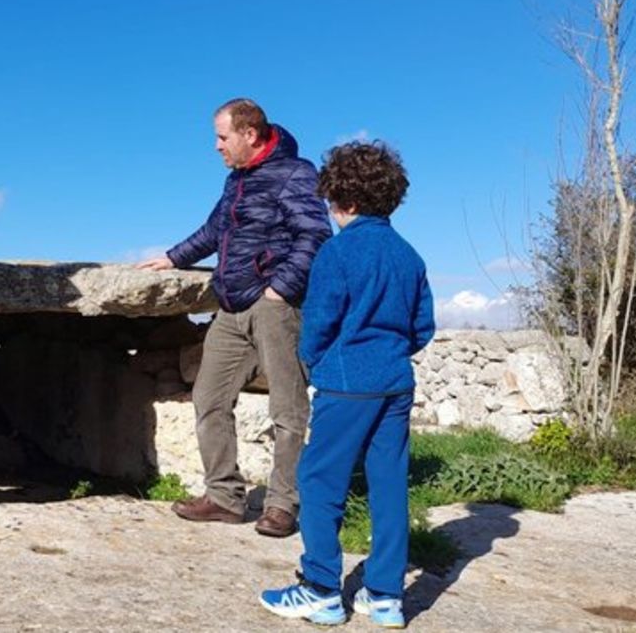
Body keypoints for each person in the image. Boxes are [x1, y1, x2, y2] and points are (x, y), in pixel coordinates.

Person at [259, 140, 435, 628]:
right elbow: (422, 327)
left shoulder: (337, 252)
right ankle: (385, 597)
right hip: (396, 384)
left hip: (345, 384)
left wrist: (319, 364)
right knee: (388, 485)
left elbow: (317, 324)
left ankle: (319, 589)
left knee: (318, 481)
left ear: (345, 201)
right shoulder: (409, 256)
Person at [139, 99, 331, 538]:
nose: (216, 146)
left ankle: (283, 505)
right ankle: (225, 498)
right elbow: (213, 232)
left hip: (275, 308)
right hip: (231, 307)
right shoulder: (236, 181)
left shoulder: (295, 174)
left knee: (288, 408)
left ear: (250, 134)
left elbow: (315, 235)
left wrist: (280, 288)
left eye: (222, 137)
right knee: (208, 397)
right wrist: (172, 258)